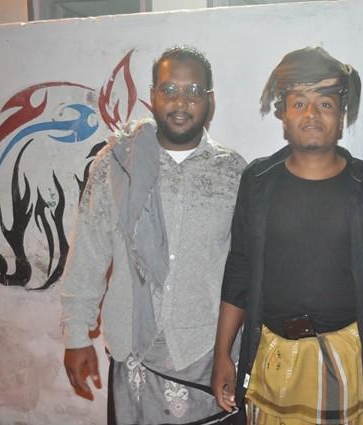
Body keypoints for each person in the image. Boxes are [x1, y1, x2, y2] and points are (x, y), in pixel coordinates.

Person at [211, 47, 363, 425]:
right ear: (283, 115)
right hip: (272, 358)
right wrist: (222, 355)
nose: (312, 114)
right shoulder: (257, 182)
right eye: (299, 103)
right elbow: (240, 269)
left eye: (325, 104)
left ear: (341, 115)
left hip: (349, 358)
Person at [61, 46, 246, 424]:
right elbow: (88, 253)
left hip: (206, 355)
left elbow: (242, 269)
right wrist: (76, 336)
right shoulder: (115, 164)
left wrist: (230, 352)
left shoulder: (232, 172)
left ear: (210, 101)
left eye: (194, 91)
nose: (181, 101)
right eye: (169, 89)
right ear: (153, 95)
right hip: (133, 356)